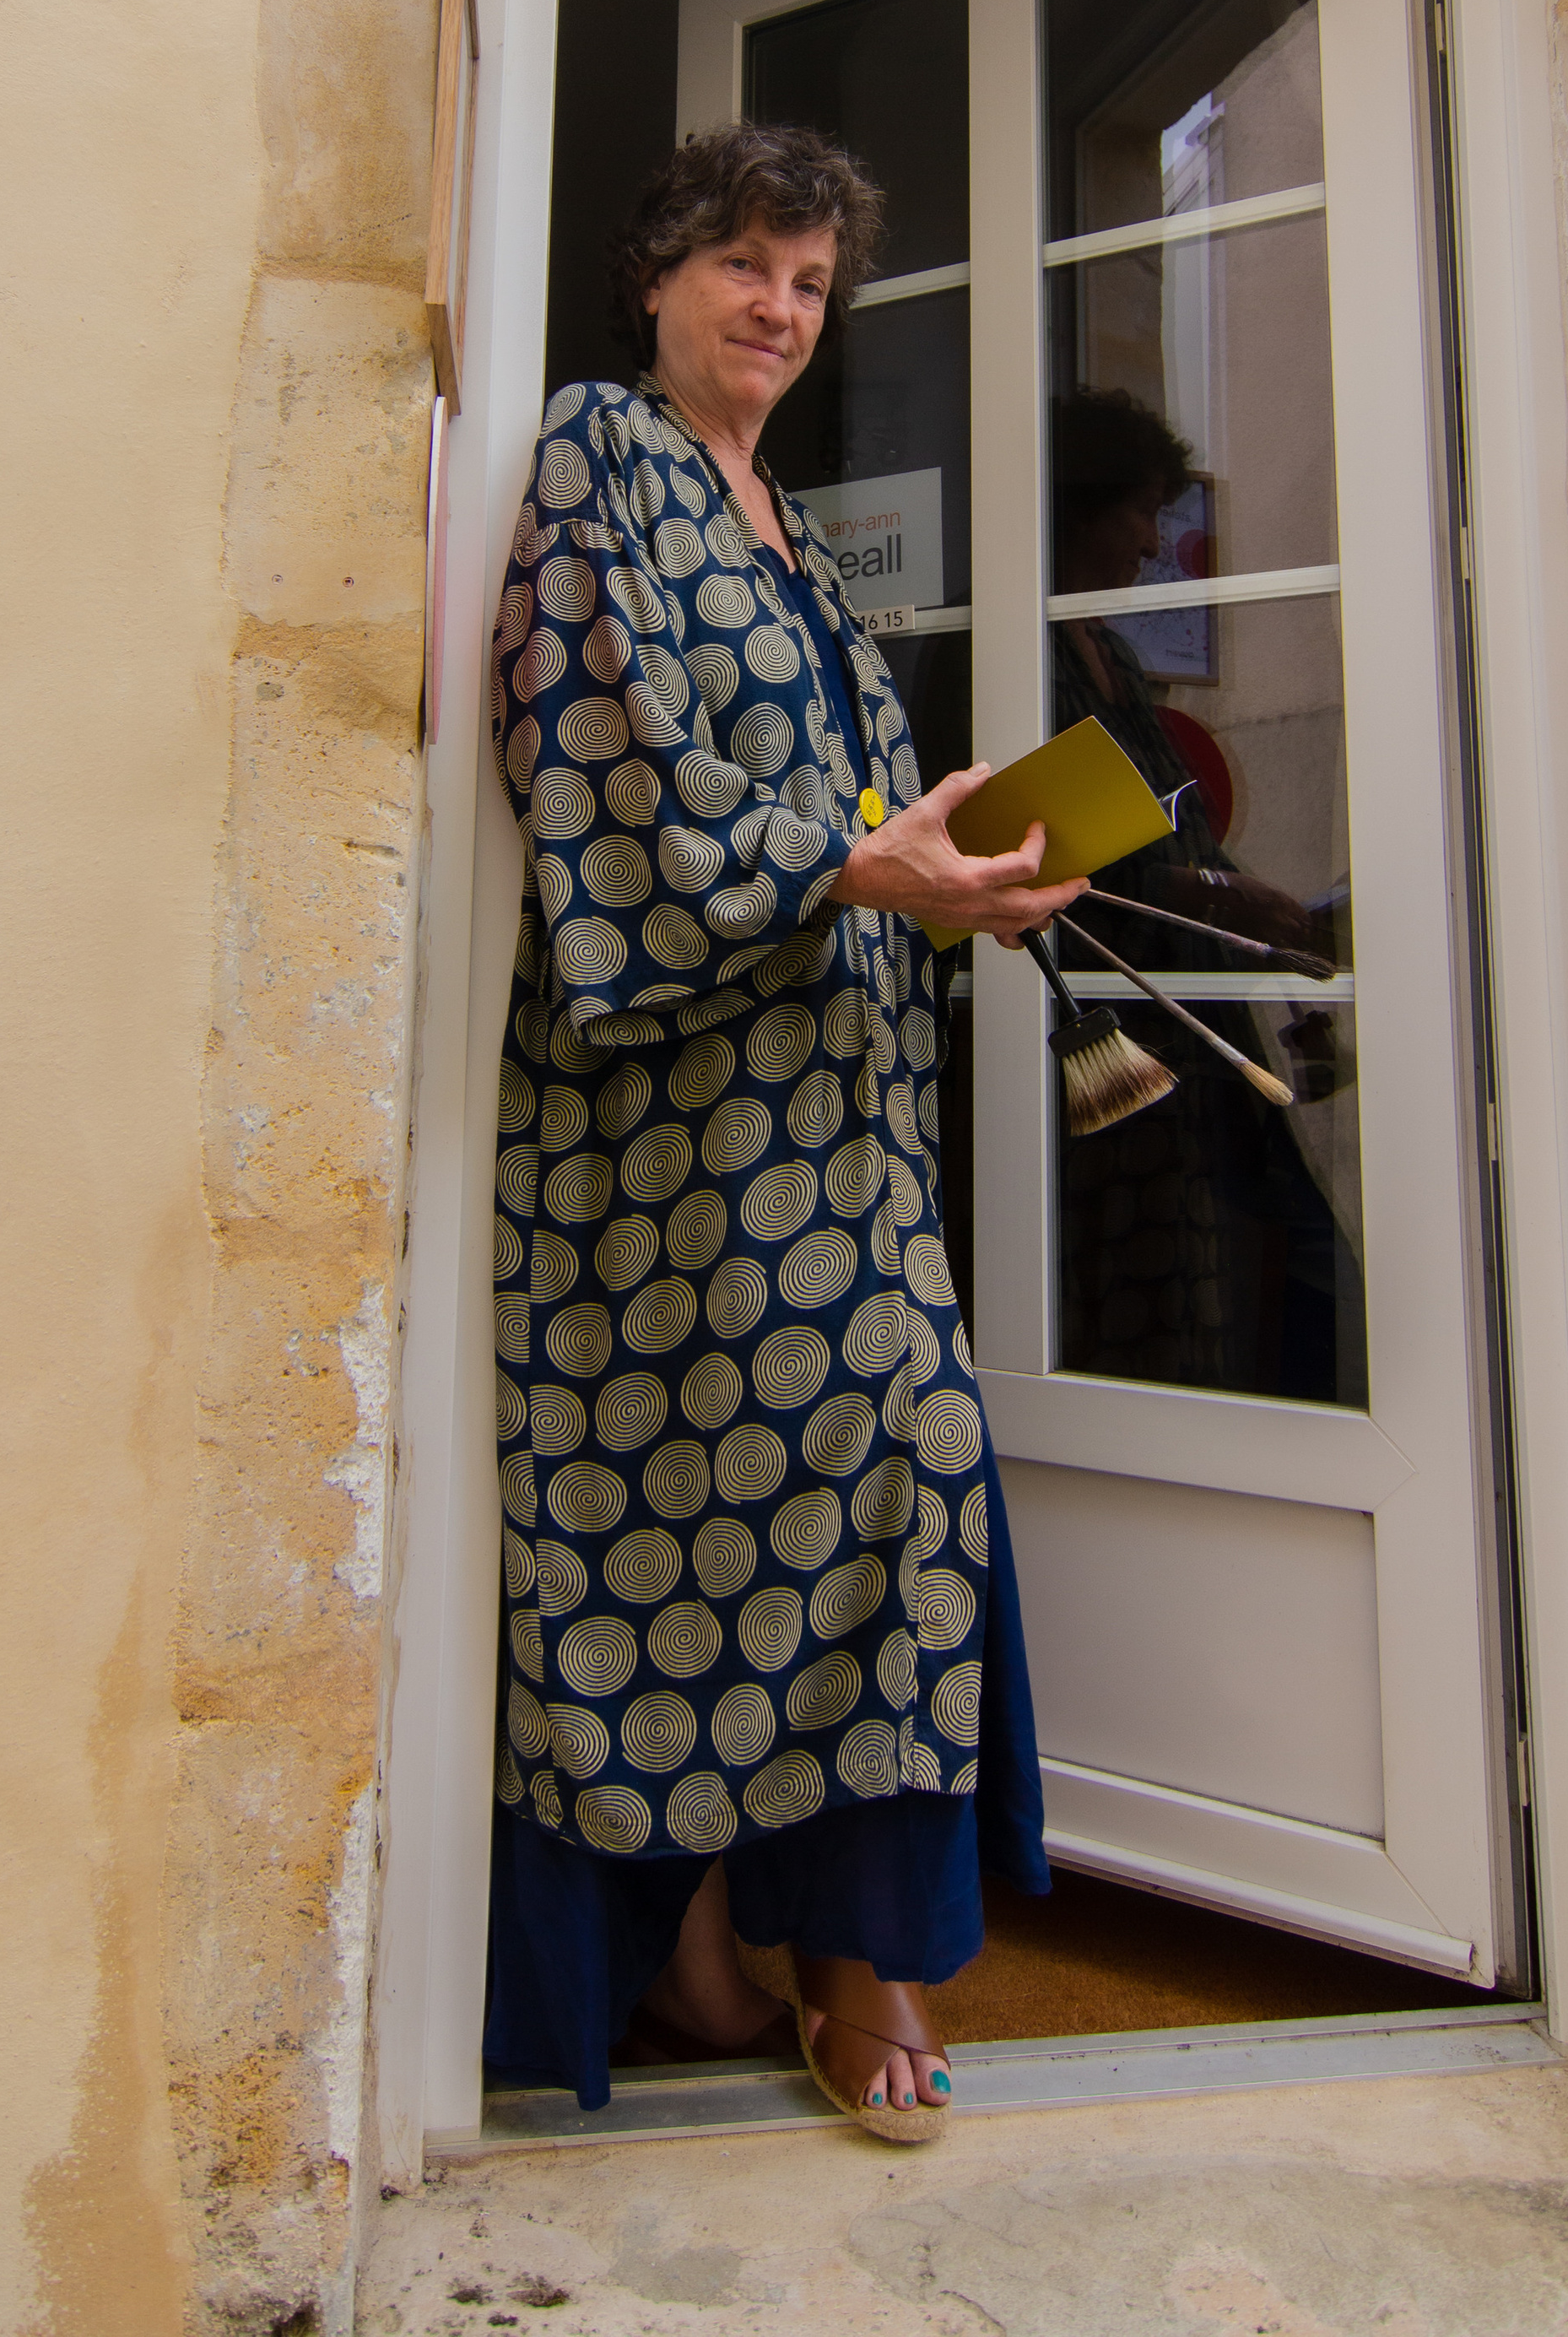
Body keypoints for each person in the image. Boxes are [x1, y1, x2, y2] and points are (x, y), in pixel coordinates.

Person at [484, 122, 1082, 2134]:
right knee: (713, 1513)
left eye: (810, 283)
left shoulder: (794, 531)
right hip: (664, 1134)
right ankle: (738, 1951)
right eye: (743, 263)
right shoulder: (599, 452)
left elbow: (859, 818)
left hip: (843, 1121)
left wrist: (967, 873)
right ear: (656, 276)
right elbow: (597, 749)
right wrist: (851, 873)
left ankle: (812, 1952)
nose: (776, 307)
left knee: (894, 1468)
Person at [1048, 387, 1362, 1401]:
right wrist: (1231, 899)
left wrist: (1255, 913)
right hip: (1115, 1034)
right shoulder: (1026, 659)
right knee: (1149, 1301)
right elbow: (1067, 865)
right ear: (1079, 507)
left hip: (1196, 1025)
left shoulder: (1116, 661)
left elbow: (1169, 829)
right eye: (1137, 511)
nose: (1151, 542)